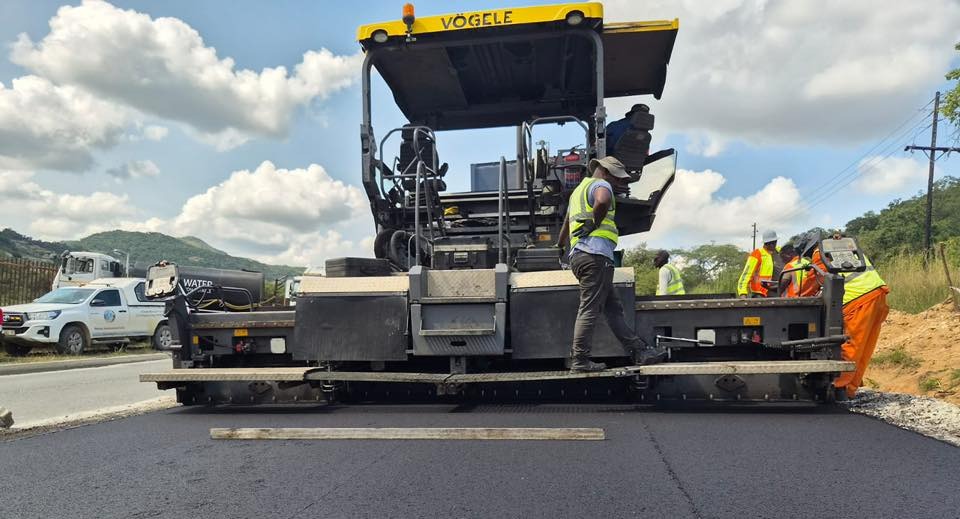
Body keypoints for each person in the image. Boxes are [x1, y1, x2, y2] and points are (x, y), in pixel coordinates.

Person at [556, 156, 665, 372]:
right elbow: (603, 200)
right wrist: (594, 222)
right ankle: (580, 360)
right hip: (595, 256)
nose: (619, 183)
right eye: (617, 178)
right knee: (589, 309)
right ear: (604, 171)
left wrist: (559, 245)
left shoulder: (578, 191)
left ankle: (640, 351)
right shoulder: (601, 184)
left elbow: (568, 221)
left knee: (613, 308)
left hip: (580, 256)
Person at [810, 239, 890, 399]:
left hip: (857, 300)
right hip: (878, 294)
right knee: (865, 347)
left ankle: (839, 389)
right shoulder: (845, 247)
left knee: (850, 346)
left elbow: (812, 282)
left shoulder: (820, 253)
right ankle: (850, 389)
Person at [737, 230, 783, 298]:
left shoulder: (780, 252)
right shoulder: (757, 254)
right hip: (760, 294)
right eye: (768, 243)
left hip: (778, 292)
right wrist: (742, 293)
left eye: (774, 242)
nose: (771, 245)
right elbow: (746, 274)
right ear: (764, 243)